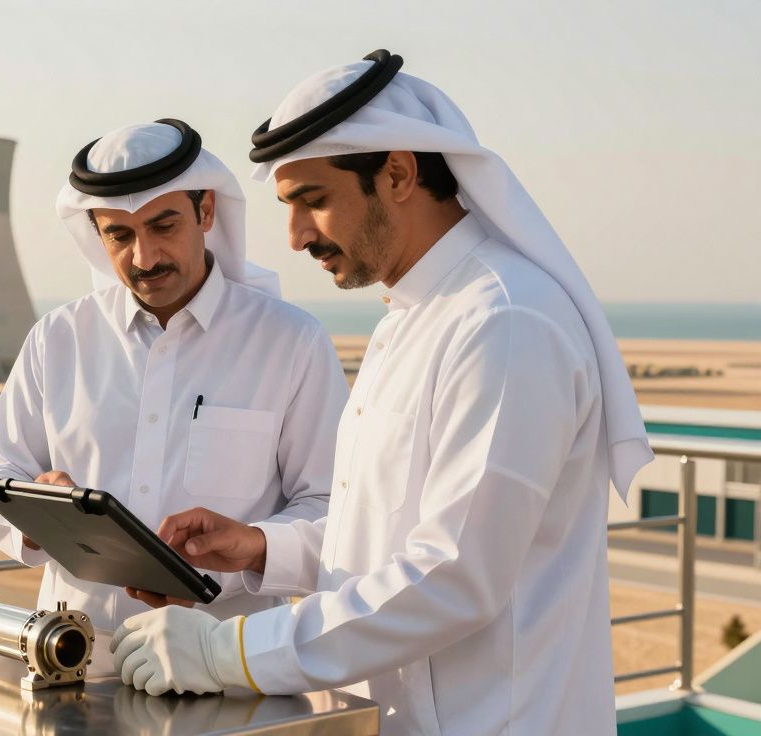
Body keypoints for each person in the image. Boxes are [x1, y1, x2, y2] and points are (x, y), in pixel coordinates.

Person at [111, 52, 653, 736]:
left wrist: (228, 652)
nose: (296, 237)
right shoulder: (412, 317)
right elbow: (386, 535)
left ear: (397, 173)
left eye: (313, 201)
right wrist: (259, 548)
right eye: (288, 207)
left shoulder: (506, 321)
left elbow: (455, 574)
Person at [0, 119, 348, 633]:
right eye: (120, 236)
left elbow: (333, 507)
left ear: (206, 211)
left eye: (163, 227)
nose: (144, 257)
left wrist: (254, 544)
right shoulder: (58, 338)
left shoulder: (291, 341)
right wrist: (41, 513)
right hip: (74, 652)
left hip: (228, 654)